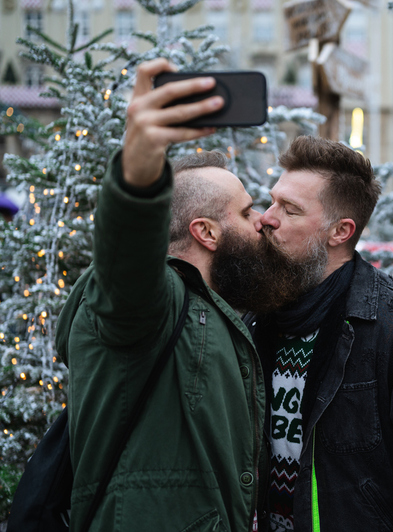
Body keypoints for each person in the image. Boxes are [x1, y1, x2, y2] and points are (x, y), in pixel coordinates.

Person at [54, 58, 275, 532]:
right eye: (248, 210)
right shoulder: (150, 303)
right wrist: (139, 167)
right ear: (206, 232)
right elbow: (128, 256)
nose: (262, 221)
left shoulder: (215, 310)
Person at [245, 136, 393, 532]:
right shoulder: (253, 315)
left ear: (340, 231)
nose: (267, 217)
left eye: (291, 210)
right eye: (273, 201)